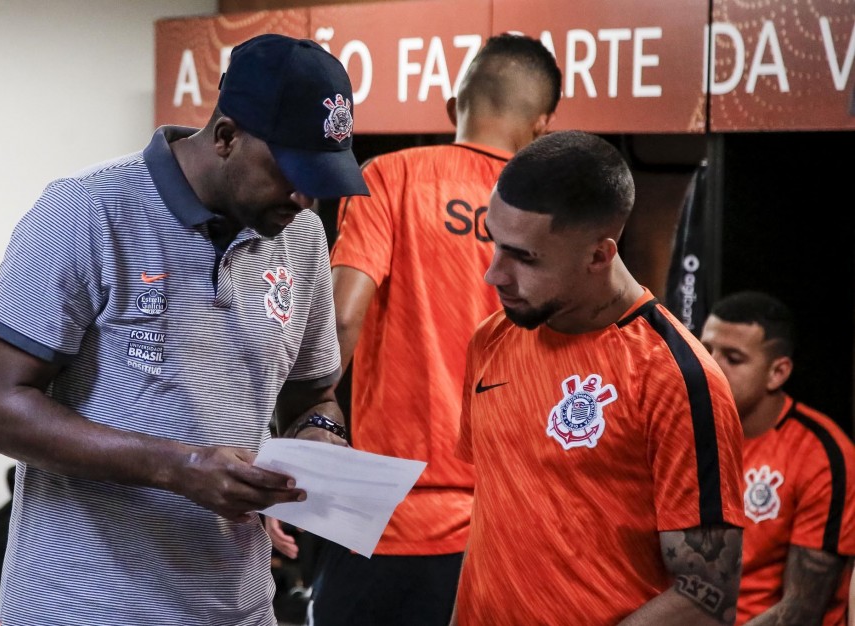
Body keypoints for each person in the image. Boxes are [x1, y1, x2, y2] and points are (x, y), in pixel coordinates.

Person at [0, 33, 368, 626]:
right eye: (290, 171)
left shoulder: (301, 237)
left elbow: (314, 395)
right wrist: (177, 467)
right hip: (83, 606)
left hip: (236, 605)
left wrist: (318, 438)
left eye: (321, 177)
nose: (306, 198)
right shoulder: (83, 212)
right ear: (227, 136)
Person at [299, 33, 562, 626]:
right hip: (506, 523)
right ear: (543, 128)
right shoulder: (552, 216)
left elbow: (340, 318)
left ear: (453, 106)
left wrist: (296, 444)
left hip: (378, 513)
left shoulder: (392, 177)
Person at [450, 130, 746, 625]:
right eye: (495, 243)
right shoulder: (492, 340)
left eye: (524, 256)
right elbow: (491, 523)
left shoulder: (676, 378)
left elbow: (707, 596)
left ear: (598, 256)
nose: (495, 274)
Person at [700, 291, 855, 625]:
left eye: (733, 358)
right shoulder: (686, 431)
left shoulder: (821, 454)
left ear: (778, 372)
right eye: (706, 349)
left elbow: (801, 610)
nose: (710, 364)